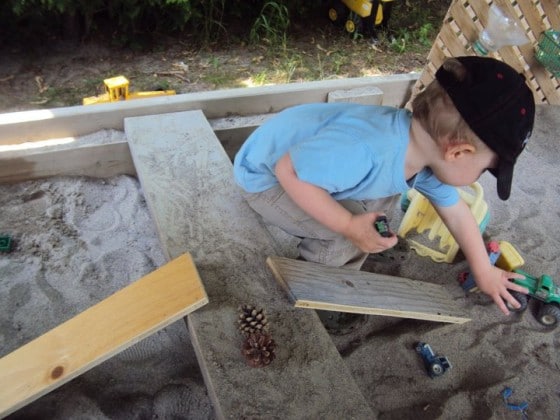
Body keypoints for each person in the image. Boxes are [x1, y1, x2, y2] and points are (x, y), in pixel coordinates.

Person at [233, 56, 535, 316]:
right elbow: (290, 170)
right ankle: (316, 290)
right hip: (267, 177)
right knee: (341, 237)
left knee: (383, 201)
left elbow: (456, 212)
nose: (480, 176)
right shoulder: (368, 149)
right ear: (457, 153)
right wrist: (349, 224)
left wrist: (483, 270)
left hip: (310, 165)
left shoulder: (421, 152)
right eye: (485, 169)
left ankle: (354, 246)